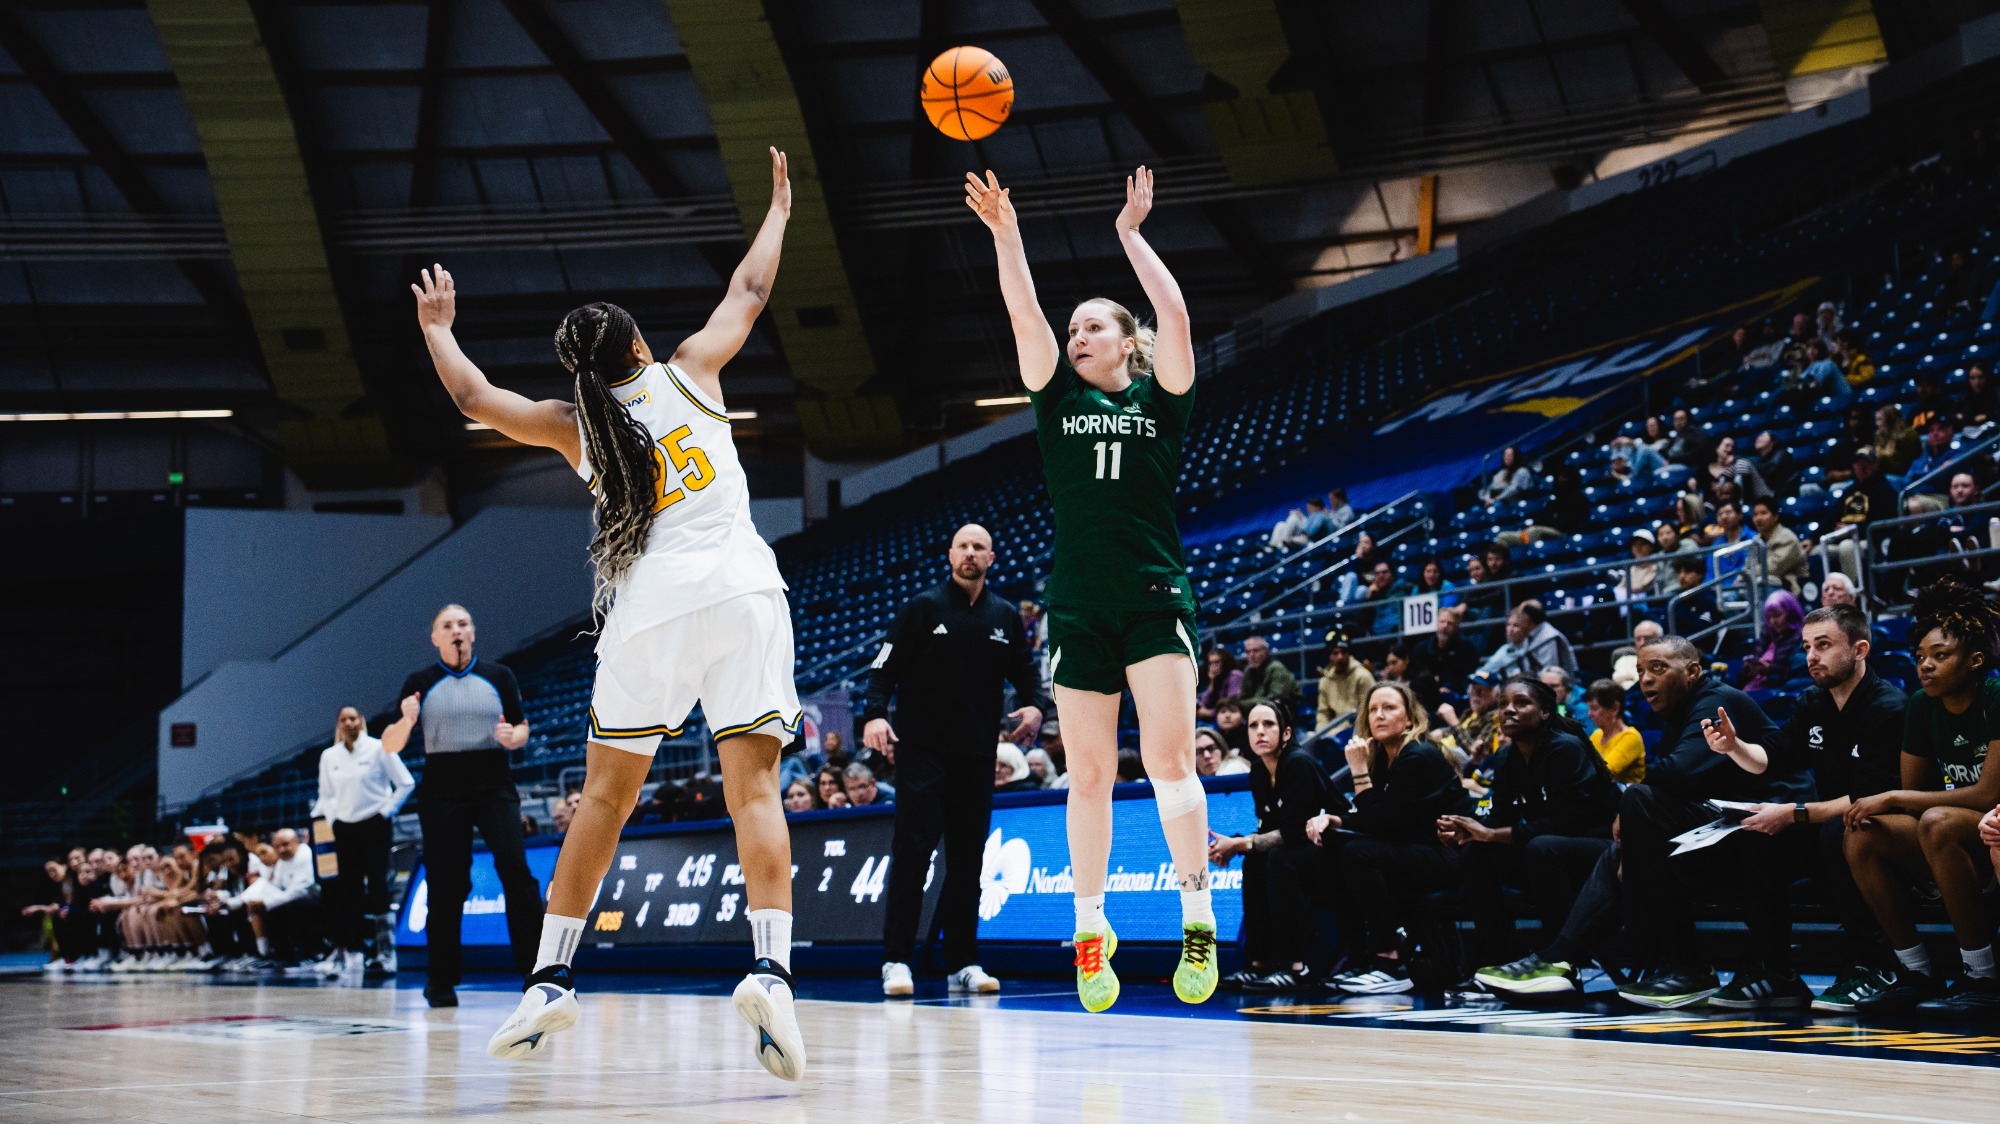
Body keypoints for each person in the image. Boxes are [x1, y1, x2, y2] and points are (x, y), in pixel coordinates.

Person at [414, 148, 810, 1078]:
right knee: (753, 789)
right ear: (637, 347)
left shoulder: (574, 424)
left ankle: (550, 980)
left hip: (651, 613)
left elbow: (474, 397)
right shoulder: (690, 371)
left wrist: (439, 328)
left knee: (604, 799)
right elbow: (750, 290)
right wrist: (781, 210)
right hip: (746, 593)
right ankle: (772, 973)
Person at [966, 162, 1219, 1010]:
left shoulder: (1164, 399)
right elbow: (1022, 313)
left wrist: (1130, 237)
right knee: (1087, 776)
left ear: (1126, 342)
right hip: (1076, 603)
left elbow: (1178, 314)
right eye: (1073, 329)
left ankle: (1195, 918)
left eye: (1092, 328)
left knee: (1169, 760)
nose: (1076, 337)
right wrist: (1008, 235)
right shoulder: (1053, 398)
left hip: (1155, 595)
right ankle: (1088, 927)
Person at [1477, 635, 1815, 1007]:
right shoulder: (1678, 716)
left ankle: (1684, 966)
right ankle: (1560, 959)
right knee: (1618, 851)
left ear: (1692, 672)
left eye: (1657, 668)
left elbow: (1678, 775)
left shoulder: (1715, 702)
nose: (1646, 680)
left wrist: (1626, 814)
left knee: (1637, 806)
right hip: (1736, 829)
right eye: (1640, 671)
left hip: (1785, 831)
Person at [863, 522, 1047, 999]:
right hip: (922, 753)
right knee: (912, 856)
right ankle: (896, 960)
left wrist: (1034, 705)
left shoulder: (1006, 616)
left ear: (991, 558)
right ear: (950, 554)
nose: (970, 553)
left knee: (968, 864)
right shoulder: (922, 608)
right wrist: (874, 715)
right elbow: (884, 667)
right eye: (963, 546)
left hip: (977, 755)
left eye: (979, 547)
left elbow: (1028, 678)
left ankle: (963, 961)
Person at [1694, 605, 1908, 1011]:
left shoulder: (1888, 706)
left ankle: (1875, 964)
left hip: (1885, 829)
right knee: (1760, 835)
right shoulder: (1813, 702)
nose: (1811, 656)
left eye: (1824, 645)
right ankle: (1775, 970)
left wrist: (1792, 812)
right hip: (1833, 824)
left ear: (1860, 649)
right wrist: (1734, 747)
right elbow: (1771, 758)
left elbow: (1871, 797)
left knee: (1839, 831)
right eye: (1808, 646)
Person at [1841, 580, 2000, 1011]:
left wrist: (1891, 796)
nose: (1925, 666)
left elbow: (1989, 795)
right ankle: (1916, 972)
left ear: (1976, 661)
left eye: (1940, 656)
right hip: (1962, 832)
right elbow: (1916, 794)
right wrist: (1895, 801)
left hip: (1995, 827)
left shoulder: (1996, 696)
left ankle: (1983, 977)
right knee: (1863, 830)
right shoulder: (1920, 705)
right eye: (1920, 657)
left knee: (1937, 821)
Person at [379, 603, 540, 1008]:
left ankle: (536, 973)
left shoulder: (498, 676)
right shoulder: (419, 682)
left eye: (463, 623)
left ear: (472, 633)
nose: (457, 630)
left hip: (493, 781)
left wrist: (513, 736)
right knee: (448, 883)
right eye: (447, 625)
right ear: (435, 638)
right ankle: (441, 980)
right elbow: (390, 745)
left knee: (516, 872)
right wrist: (406, 721)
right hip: (442, 788)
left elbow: (522, 727)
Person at [1297, 682, 1473, 994]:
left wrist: (1358, 772)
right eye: (1373, 709)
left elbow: (1383, 825)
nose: (1379, 715)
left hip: (1449, 855)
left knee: (1358, 853)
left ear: (1409, 719)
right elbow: (1368, 817)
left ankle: (1390, 961)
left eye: (1389, 707)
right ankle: (1360, 957)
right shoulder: (1382, 758)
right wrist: (1332, 819)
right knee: (1331, 845)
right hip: (1410, 850)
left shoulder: (1419, 756)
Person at [1439, 676, 1618, 968]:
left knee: (1542, 847)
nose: (1508, 710)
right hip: (1547, 848)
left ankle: (1560, 960)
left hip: (1601, 849)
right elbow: (1499, 819)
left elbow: (1568, 823)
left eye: (1521, 703)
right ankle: (1499, 956)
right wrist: (1467, 832)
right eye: (1503, 704)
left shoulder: (1566, 748)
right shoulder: (1506, 756)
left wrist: (1490, 834)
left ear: (1545, 711)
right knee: (1476, 853)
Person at [1206, 700, 1329, 992]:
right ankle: (1258, 963)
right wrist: (1236, 843)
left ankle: (1295, 966)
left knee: (1278, 858)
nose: (1260, 732)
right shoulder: (1259, 772)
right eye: (1253, 726)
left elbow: (1294, 832)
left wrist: (1240, 843)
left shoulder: (1298, 763)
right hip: (1295, 852)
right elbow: (1267, 829)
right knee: (1257, 860)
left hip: (1332, 851)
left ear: (1286, 733)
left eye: (1268, 724)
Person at [311, 705, 413, 976]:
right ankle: (344, 953)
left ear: (361, 721)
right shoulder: (328, 756)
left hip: (375, 824)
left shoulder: (379, 748)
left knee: (378, 885)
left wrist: (386, 811)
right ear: (338, 724)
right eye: (343, 719)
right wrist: (334, 820)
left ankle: (386, 952)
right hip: (345, 827)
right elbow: (326, 794)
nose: (348, 722)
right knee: (347, 889)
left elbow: (406, 783)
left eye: (353, 718)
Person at [1739, 591, 1806, 691]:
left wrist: (1769, 670)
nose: (1772, 621)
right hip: (1754, 688)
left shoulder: (1801, 638)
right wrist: (1748, 669)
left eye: (1777, 615)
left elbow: (1795, 673)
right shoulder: (1767, 636)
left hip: (1778, 692)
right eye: (1769, 617)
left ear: (1791, 614)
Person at [1313, 631, 1374, 735]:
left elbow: (1367, 711)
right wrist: (1321, 731)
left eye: (1343, 652)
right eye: (1335, 653)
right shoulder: (1325, 681)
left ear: (1349, 654)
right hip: (1333, 731)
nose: (1340, 657)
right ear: (1330, 656)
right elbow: (1323, 713)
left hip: (1359, 729)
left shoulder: (1363, 676)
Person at [1584, 678, 1643, 783]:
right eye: (1589, 708)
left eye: (1594, 708)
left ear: (1615, 708)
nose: (1590, 714)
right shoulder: (1597, 735)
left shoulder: (1631, 737)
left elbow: (1605, 773)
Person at [1412, 606, 1479, 694]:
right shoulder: (1422, 648)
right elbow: (1417, 675)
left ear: (1456, 627)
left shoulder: (1467, 648)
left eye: (1450, 623)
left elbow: (1466, 677)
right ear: (1436, 623)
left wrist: (1444, 681)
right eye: (1442, 622)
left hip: (1456, 692)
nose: (1445, 626)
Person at [1749, 498, 1807, 595]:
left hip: (1790, 588)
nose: (1758, 518)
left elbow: (1772, 569)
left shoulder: (1787, 538)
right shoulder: (1756, 540)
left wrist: (1747, 575)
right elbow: (1748, 565)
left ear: (1775, 516)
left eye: (1763, 513)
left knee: (1765, 583)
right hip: (1762, 584)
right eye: (1755, 515)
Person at [1238, 635, 1299, 708]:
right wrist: (1258, 701)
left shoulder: (1276, 668)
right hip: (1257, 711)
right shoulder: (1248, 671)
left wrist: (1251, 702)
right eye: (1248, 652)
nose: (1251, 655)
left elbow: (1275, 699)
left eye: (1256, 651)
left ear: (1266, 651)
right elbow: (1241, 701)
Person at [1667, 555, 1717, 637]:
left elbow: (1704, 632)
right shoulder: (1674, 599)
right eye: (1679, 572)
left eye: (1687, 572)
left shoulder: (1709, 599)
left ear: (1700, 575)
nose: (1681, 576)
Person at [1197, 647, 1242, 722]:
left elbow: (1231, 705)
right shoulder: (1215, 679)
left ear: (1224, 662)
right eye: (1210, 663)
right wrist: (1212, 682)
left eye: (1217, 662)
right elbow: (1202, 704)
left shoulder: (1235, 675)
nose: (1213, 666)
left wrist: (1209, 713)